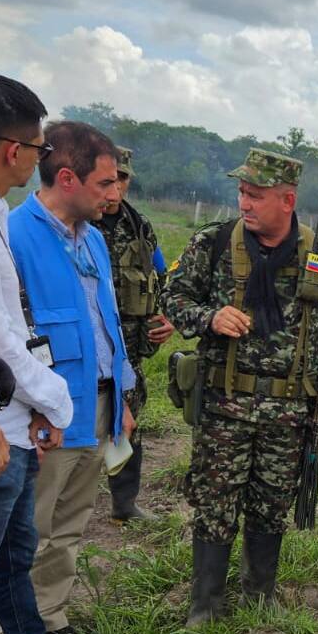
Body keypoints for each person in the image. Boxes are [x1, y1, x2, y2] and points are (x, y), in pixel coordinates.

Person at [162, 148, 318, 627]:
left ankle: (259, 593)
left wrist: (314, 376)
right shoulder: (213, 243)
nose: (244, 203)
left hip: (288, 413)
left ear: (287, 200)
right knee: (215, 500)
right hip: (224, 405)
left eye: (255, 195)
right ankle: (204, 604)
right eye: (242, 193)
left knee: (271, 503)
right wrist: (209, 316)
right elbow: (173, 294)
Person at [0, 107, 121, 634]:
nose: (115, 193)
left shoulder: (95, 242)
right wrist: (46, 405)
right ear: (67, 178)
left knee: (66, 525)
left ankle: (49, 620)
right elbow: (8, 335)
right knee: (23, 535)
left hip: (95, 403)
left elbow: (105, 322)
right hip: (34, 411)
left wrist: (124, 394)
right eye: (106, 181)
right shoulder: (11, 233)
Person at [96, 146, 175, 525]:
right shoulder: (78, 221)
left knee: (128, 421)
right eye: (111, 178)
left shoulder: (139, 226)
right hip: (89, 344)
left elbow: (159, 277)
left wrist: (164, 318)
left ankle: (123, 504)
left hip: (130, 347)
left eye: (123, 178)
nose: (116, 187)